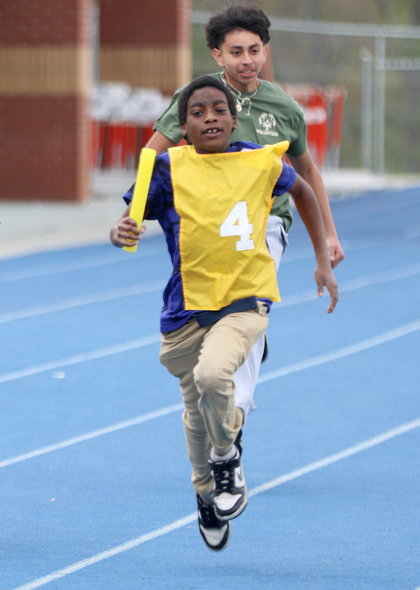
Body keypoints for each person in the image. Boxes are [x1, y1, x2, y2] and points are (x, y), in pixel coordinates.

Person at [110, 75, 338, 551]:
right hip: (187, 306)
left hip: (244, 300)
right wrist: (122, 232)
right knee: (195, 413)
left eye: (218, 109)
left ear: (234, 119)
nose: (209, 117)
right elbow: (130, 217)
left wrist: (321, 258)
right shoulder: (169, 168)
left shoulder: (259, 160)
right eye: (197, 112)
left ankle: (227, 457)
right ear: (183, 126)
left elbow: (305, 193)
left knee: (215, 377)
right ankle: (206, 493)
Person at [144, 2, 345, 424]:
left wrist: (328, 236)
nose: (247, 60)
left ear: (266, 51)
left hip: (265, 223)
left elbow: (307, 172)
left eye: (255, 50)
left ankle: (236, 408)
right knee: (214, 313)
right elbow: (152, 153)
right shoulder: (199, 100)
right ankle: (244, 345)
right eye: (236, 52)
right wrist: (138, 211)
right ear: (218, 55)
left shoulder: (284, 107)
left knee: (249, 301)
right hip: (206, 224)